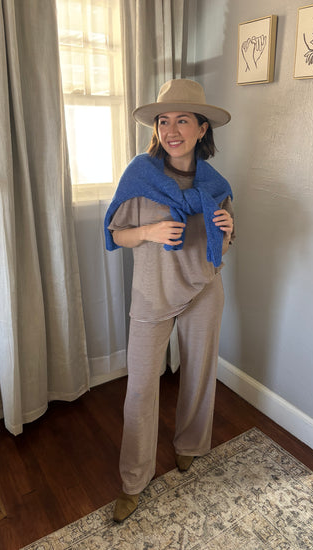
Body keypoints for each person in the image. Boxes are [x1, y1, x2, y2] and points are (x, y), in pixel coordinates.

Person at [104, 78, 235, 523]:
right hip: (153, 293)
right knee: (141, 388)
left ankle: (189, 444)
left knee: (199, 374)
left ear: (202, 129)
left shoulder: (216, 184)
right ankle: (133, 480)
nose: (171, 130)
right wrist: (150, 231)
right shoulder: (140, 175)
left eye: (182, 120)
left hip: (204, 289)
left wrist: (228, 229)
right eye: (164, 121)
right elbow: (116, 234)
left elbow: (225, 238)